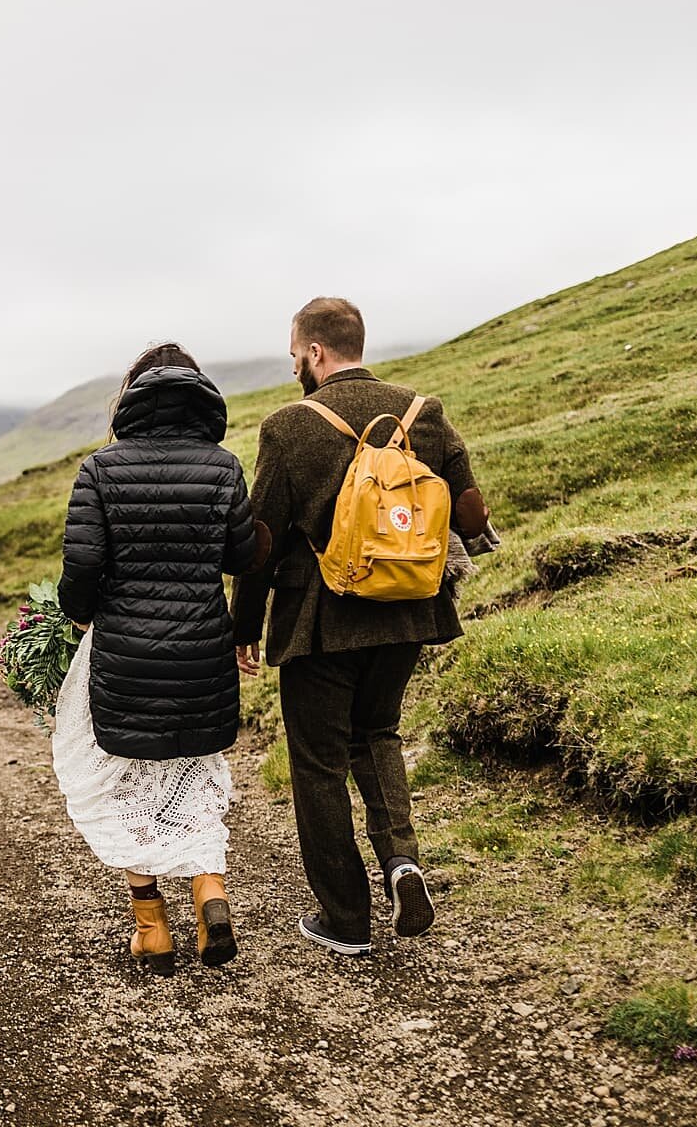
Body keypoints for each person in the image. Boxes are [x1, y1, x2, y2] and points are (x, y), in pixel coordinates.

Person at [232, 297, 490, 956]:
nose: (295, 365)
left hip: (323, 621)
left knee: (317, 763)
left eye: (295, 354)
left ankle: (344, 916)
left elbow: (260, 541)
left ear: (315, 352)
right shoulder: (420, 410)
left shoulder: (290, 425)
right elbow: (469, 512)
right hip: (409, 611)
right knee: (377, 733)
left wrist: (245, 627)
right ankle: (402, 863)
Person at [54, 342, 269, 975]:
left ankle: (152, 926)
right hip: (202, 648)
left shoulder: (99, 468)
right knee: (193, 774)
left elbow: (83, 568)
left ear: (132, 398)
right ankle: (210, 892)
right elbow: (241, 558)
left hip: (123, 651)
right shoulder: (223, 465)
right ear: (201, 397)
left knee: (125, 779)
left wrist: (78, 611)